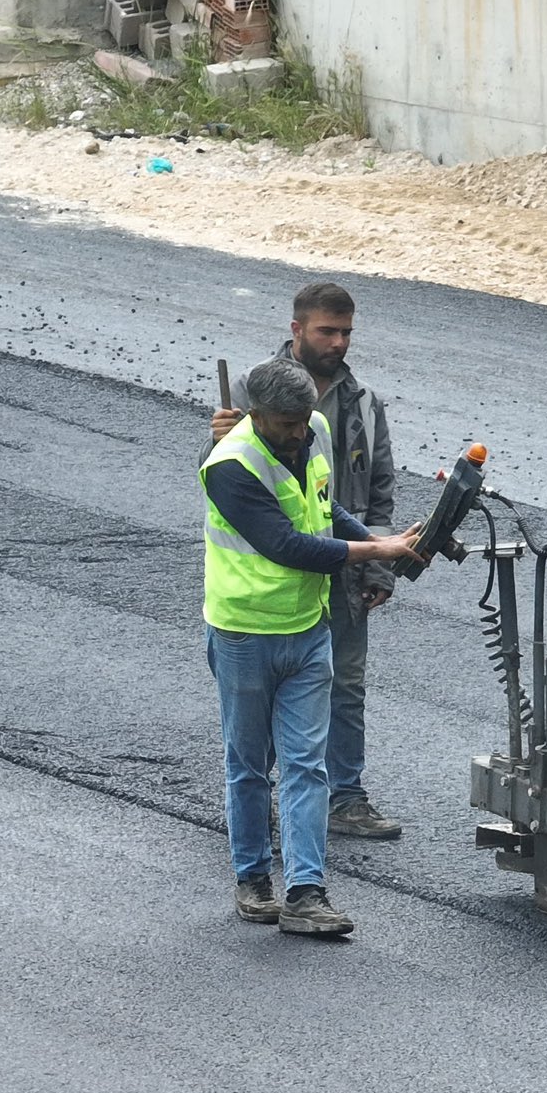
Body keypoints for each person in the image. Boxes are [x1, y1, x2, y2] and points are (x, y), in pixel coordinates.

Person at [202, 358, 424, 933]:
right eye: (285, 423)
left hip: (307, 630)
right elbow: (286, 545)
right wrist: (378, 553)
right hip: (244, 635)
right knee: (249, 766)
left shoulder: (314, 429)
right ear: (256, 414)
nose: (299, 431)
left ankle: (306, 893)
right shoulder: (231, 465)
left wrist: (377, 536)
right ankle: (253, 878)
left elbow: (326, 510)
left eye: (303, 419)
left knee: (306, 766)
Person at [210, 282, 404, 840]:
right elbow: (220, 475)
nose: (339, 342)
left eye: (346, 332)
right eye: (327, 331)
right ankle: (259, 804)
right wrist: (213, 438)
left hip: (344, 572)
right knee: (269, 699)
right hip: (270, 584)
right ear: (297, 329)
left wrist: (378, 562)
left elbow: (378, 489)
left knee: (346, 686)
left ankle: (347, 797)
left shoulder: (364, 402)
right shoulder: (252, 389)